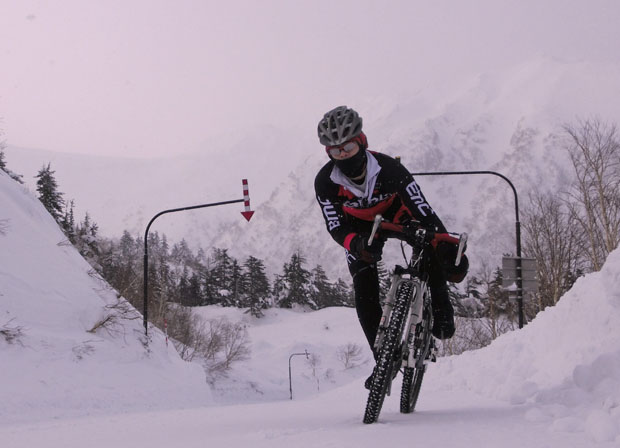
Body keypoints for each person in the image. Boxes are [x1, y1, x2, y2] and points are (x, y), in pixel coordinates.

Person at [314, 106, 467, 385]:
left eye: (347, 147)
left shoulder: (390, 169)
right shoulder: (325, 182)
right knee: (363, 285)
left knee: (427, 245)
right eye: (335, 151)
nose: (343, 155)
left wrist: (446, 247)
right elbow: (335, 226)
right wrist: (355, 243)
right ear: (328, 153)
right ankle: (383, 360)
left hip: (398, 215)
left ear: (361, 142)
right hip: (360, 228)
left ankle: (442, 308)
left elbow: (424, 211)